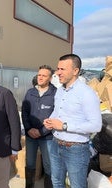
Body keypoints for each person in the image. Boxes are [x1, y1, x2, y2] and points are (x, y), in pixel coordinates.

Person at [43, 54, 102, 188]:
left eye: (62, 69)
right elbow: (57, 112)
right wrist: (50, 120)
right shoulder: (60, 91)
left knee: (77, 185)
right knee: (56, 182)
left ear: (75, 71)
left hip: (76, 149)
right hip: (55, 144)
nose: (58, 73)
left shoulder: (87, 93)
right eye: (58, 68)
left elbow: (96, 125)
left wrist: (64, 126)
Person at [21, 65, 56, 188]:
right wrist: (29, 129)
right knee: (30, 163)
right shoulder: (30, 92)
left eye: (44, 75)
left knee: (49, 165)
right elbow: (24, 112)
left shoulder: (55, 94)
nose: (40, 77)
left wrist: (41, 131)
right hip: (31, 136)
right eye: (39, 75)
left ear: (50, 78)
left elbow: (56, 117)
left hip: (47, 137)